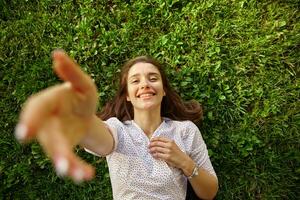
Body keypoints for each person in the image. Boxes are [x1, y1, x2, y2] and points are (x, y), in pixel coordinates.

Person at [15, 50, 218, 199]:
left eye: (153, 78)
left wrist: (185, 162)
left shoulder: (186, 131)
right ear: (128, 96)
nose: (145, 84)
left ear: (164, 90)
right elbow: (101, 139)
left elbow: (210, 192)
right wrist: (81, 116)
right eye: (135, 81)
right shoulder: (118, 130)